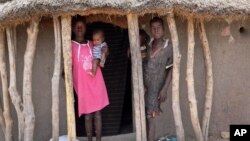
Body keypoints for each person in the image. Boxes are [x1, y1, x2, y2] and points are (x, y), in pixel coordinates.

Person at [71, 16, 109, 141]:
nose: (79, 28)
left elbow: (104, 49)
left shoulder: (92, 43)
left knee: (98, 114)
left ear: (86, 28)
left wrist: (105, 52)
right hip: (83, 86)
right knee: (87, 116)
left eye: (82, 26)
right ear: (72, 28)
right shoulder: (70, 46)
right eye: (77, 26)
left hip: (96, 83)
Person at [143, 17, 173, 141]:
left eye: (158, 27)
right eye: (153, 28)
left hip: (156, 89)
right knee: (146, 116)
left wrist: (165, 89)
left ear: (164, 29)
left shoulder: (168, 47)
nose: (156, 30)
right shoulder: (148, 45)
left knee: (151, 119)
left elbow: (172, 69)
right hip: (145, 87)